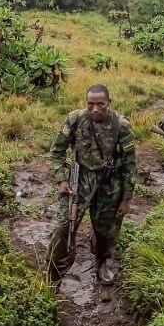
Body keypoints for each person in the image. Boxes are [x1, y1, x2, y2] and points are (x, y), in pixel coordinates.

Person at [46, 84, 136, 287]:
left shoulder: (121, 125)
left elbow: (130, 165)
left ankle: (101, 263)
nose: (95, 109)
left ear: (108, 103)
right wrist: (62, 179)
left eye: (100, 104)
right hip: (79, 182)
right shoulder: (75, 119)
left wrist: (126, 198)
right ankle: (54, 275)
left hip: (109, 185)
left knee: (106, 230)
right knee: (64, 228)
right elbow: (56, 151)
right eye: (91, 104)